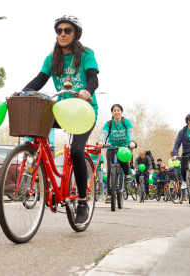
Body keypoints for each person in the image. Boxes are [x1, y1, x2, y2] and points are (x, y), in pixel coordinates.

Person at [21, 15, 99, 224]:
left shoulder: (85, 54)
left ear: (76, 34)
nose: (62, 34)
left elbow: (93, 78)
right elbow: (39, 80)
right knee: (38, 127)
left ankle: (82, 201)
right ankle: (41, 171)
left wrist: (87, 91)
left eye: (67, 30)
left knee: (75, 151)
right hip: (63, 110)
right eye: (59, 31)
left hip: (83, 111)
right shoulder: (51, 59)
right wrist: (22, 93)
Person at [97, 104, 136, 203]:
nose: (116, 112)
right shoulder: (109, 123)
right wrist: (101, 141)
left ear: (121, 112)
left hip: (124, 147)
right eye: (114, 110)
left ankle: (127, 174)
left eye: (118, 110)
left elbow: (130, 132)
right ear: (112, 113)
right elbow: (104, 133)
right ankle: (109, 194)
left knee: (123, 160)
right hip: (111, 147)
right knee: (110, 170)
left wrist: (132, 141)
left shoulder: (125, 122)